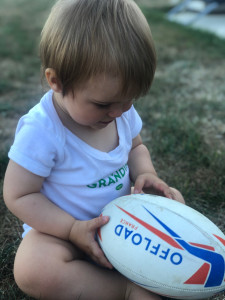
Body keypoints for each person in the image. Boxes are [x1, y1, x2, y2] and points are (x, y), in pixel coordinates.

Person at [3, 0, 184, 299]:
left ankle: (149, 272)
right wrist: (72, 228)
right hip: (62, 234)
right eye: (103, 104)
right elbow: (19, 194)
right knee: (33, 267)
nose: (118, 113)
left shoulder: (120, 112)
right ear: (56, 81)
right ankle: (123, 289)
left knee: (177, 203)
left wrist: (147, 173)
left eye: (128, 100)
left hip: (125, 227)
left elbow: (136, 147)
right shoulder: (42, 130)